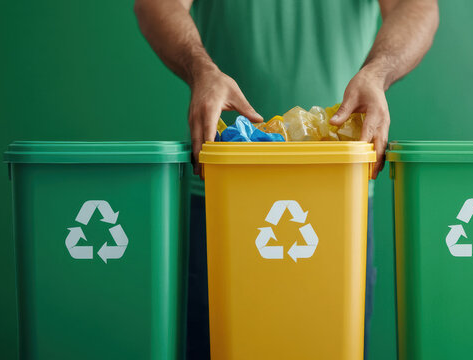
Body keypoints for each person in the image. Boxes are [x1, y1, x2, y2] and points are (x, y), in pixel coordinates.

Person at [135, 0, 438, 357]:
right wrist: (202, 70)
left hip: (338, 199)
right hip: (226, 195)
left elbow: (415, 6)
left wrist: (378, 71)